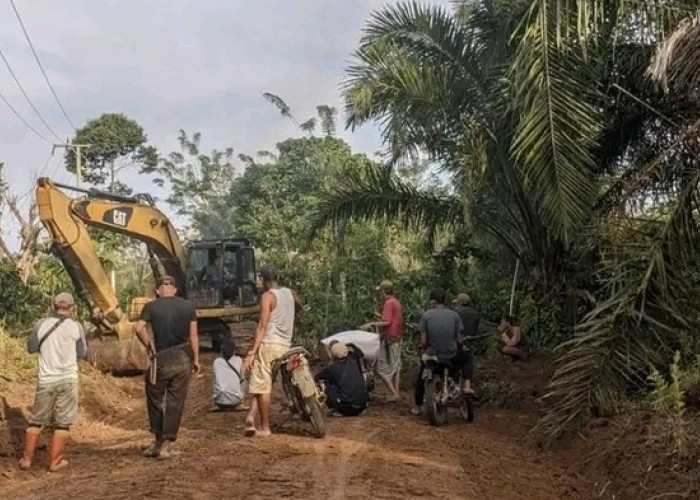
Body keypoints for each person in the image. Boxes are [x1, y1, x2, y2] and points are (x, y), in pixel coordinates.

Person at [19, 292, 87, 472]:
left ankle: (26, 460)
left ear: (53, 305)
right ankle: (55, 462)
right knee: (62, 423)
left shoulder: (41, 324)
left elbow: (31, 348)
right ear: (72, 308)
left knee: (36, 421)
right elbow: (81, 353)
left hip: (46, 379)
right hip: (68, 379)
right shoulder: (76, 326)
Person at [134, 276, 200, 460]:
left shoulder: (151, 306)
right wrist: (196, 359)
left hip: (161, 358)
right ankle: (166, 446)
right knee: (175, 401)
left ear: (157, 290)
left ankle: (157, 440)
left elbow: (138, 328)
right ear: (176, 289)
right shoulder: (188, 307)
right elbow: (193, 336)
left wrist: (149, 346)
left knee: (154, 397)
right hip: (182, 356)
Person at [243, 264, 300, 437]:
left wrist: (252, 352)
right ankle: (251, 416)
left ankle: (265, 427)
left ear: (263, 279)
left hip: (269, 345)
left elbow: (262, 326)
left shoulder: (267, 297)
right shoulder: (290, 293)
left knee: (262, 387)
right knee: (263, 382)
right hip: (286, 345)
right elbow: (298, 308)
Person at [411, 288, 474, 416]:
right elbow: (459, 339)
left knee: (421, 376)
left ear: (433, 302)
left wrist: (425, 347)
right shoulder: (454, 315)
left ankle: (417, 407)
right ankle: (466, 386)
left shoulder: (426, 315)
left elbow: (423, 340)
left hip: (432, 355)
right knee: (467, 358)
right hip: (450, 354)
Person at [359, 280, 404, 402]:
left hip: (391, 339)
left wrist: (371, 323)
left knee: (382, 368)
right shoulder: (396, 302)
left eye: (381, 292)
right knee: (396, 367)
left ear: (384, 292)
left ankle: (394, 394)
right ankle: (396, 393)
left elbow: (387, 322)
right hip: (396, 338)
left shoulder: (389, 303)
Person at [314, 341, 369, 417]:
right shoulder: (354, 361)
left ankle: (337, 408)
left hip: (347, 408)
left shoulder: (332, 368)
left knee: (326, 383)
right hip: (362, 406)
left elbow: (317, 377)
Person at [212, 338, 246, 411]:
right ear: (234, 351)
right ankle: (240, 404)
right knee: (242, 380)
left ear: (221, 351)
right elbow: (242, 379)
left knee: (216, 380)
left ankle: (218, 404)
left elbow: (216, 379)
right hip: (235, 400)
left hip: (219, 401)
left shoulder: (216, 362)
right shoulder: (239, 360)